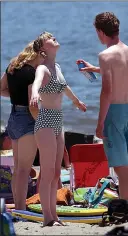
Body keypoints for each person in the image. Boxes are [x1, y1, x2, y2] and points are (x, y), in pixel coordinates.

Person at [77, 12, 128, 202]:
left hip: (114, 112)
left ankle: (126, 210)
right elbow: (119, 71)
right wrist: (94, 69)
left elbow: (107, 91)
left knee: (121, 169)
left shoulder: (105, 55)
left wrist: (100, 122)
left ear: (101, 32)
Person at [30, 31, 86, 227]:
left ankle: (54, 215)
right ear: (43, 48)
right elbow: (36, 82)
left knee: (56, 173)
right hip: (45, 120)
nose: (54, 38)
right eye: (50, 38)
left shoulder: (58, 67)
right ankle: (47, 217)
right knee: (46, 172)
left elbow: (64, 87)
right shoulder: (43, 69)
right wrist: (35, 94)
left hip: (58, 121)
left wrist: (76, 101)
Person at [0, 41, 45, 210]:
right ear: (38, 54)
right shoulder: (31, 73)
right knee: (24, 170)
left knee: (18, 169)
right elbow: (32, 104)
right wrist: (41, 123)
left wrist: (14, 95)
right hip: (27, 117)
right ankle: (21, 208)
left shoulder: (13, 67)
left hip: (13, 117)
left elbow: (0, 89)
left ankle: (20, 207)